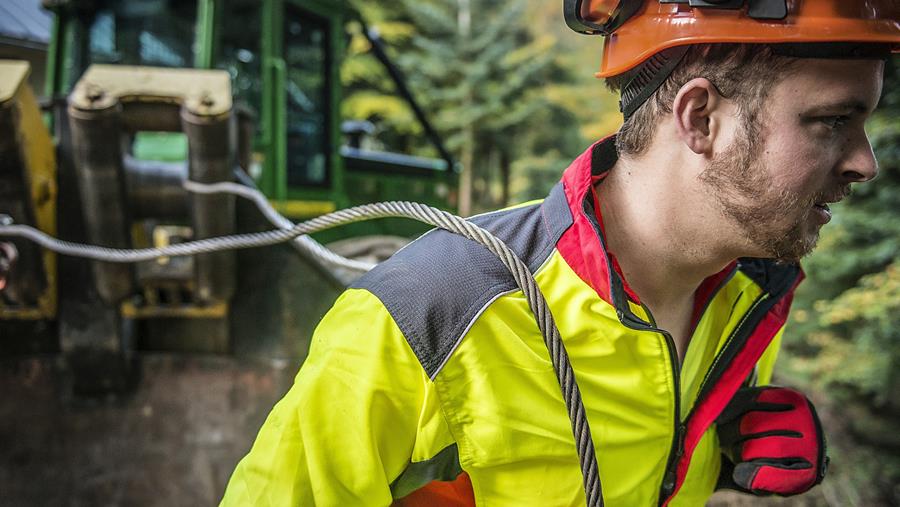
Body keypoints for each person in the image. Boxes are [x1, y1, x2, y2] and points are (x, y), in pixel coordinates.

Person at [221, 1, 899, 505]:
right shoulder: (434, 315)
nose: (864, 162)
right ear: (699, 117)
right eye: (832, 121)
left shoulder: (748, 291)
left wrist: (713, 448)